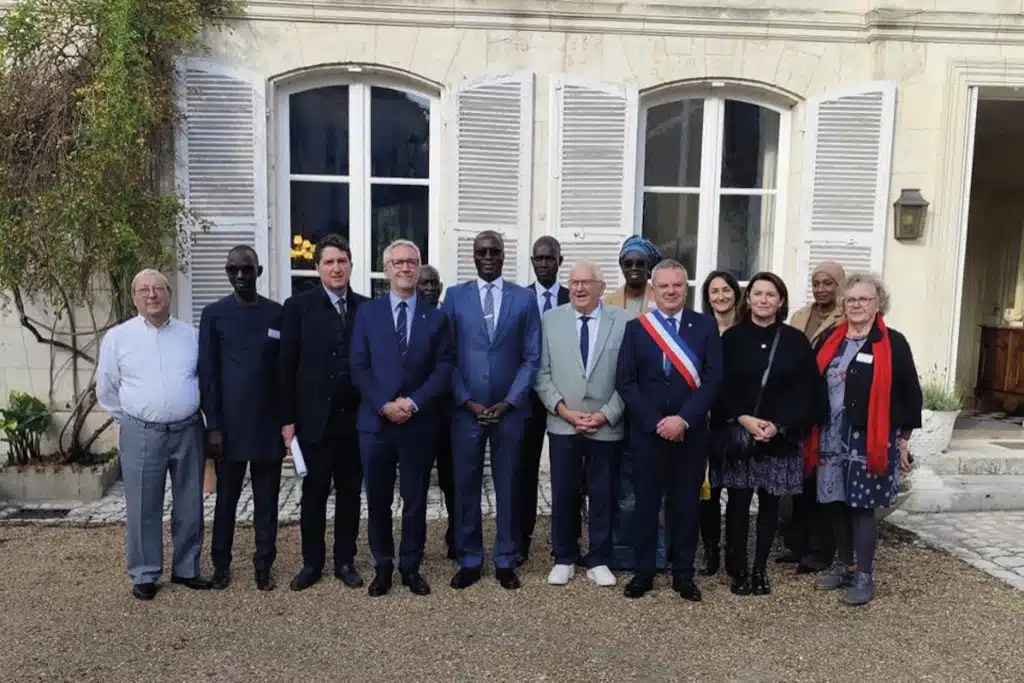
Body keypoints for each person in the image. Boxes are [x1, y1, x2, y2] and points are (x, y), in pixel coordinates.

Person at [97, 269, 212, 600]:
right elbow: (106, 388)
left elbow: (203, 380)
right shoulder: (118, 338)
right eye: (144, 290)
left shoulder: (190, 336)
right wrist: (134, 418)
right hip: (142, 432)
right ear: (134, 297)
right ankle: (145, 572)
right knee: (143, 504)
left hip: (188, 429)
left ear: (169, 294)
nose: (152, 295)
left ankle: (187, 568)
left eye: (158, 288)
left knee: (190, 502)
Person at [809, 273, 922, 606]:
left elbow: (910, 392)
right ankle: (845, 566)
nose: (856, 305)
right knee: (836, 503)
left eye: (864, 299)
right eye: (851, 299)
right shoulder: (830, 339)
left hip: (869, 439)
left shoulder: (892, 342)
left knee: (861, 506)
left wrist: (904, 439)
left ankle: (864, 576)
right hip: (831, 436)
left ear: (878, 304)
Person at [615, 259, 722, 600]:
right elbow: (626, 382)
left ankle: (684, 574)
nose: (671, 291)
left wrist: (684, 419)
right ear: (653, 289)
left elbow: (714, 378)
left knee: (686, 505)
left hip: (690, 434)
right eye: (664, 286)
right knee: (645, 505)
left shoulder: (705, 326)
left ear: (685, 289)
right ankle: (643, 572)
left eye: (677, 285)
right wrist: (654, 422)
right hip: (648, 434)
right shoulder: (637, 329)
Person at [350, 240, 453, 597]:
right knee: (378, 500)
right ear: (386, 269)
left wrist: (412, 402)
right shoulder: (368, 313)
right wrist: (384, 404)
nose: (406, 268)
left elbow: (444, 369)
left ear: (419, 267)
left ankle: (410, 566)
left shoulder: (436, 317)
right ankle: (382, 566)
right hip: (376, 423)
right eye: (398, 262)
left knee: (415, 500)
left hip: (417, 423)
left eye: (412, 262)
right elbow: (359, 366)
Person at [441, 230, 541, 590]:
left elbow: (532, 356)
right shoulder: (455, 297)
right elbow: (446, 356)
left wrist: (509, 401)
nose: (487, 257)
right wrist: (466, 400)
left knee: (509, 485)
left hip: (509, 411)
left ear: (503, 255)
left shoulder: (524, 299)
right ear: (473, 255)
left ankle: (505, 558)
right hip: (466, 411)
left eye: (494, 251)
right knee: (465, 485)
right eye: (481, 252)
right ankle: (469, 559)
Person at [714, 272, 821, 596]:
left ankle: (759, 569)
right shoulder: (730, 339)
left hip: (779, 439)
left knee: (769, 509)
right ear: (748, 299)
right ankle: (738, 569)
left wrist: (779, 424)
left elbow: (807, 391)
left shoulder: (795, 341)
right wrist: (743, 418)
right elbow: (719, 386)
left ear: (780, 301)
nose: (763, 299)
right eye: (757, 293)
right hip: (741, 436)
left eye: (770, 294)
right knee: (737, 507)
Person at [279, 233, 368, 592]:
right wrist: (287, 420)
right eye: (329, 262)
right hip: (314, 420)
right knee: (314, 495)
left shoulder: (366, 307)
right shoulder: (297, 307)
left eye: (341, 261)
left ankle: (345, 560)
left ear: (351, 265)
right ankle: (311, 563)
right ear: (317, 267)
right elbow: (285, 367)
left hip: (355, 421)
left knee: (350, 495)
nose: (336, 268)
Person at [534, 261, 627, 588]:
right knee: (564, 493)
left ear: (601, 287)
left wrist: (606, 414)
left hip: (607, 426)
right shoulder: (550, 320)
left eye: (586, 282)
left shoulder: (623, 322)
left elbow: (630, 376)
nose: (579, 288)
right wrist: (564, 411)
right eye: (574, 282)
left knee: (603, 495)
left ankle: (599, 559)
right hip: (564, 425)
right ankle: (564, 557)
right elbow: (541, 374)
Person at [199, 246, 284, 592]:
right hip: (229, 428)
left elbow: (284, 371)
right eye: (233, 269)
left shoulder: (277, 314)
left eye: (247, 269)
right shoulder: (214, 314)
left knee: (267, 502)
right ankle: (221, 564)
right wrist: (214, 426)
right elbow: (208, 374)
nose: (240, 275)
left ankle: (264, 564)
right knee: (226, 501)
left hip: (268, 425)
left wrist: (286, 422)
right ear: (226, 272)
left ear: (258, 272)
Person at [603, 235, 669, 572]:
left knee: (654, 486)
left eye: (640, 264)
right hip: (614, 405)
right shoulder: (607, 303)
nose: (633, 269)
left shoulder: (662, 302)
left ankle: (657, 552)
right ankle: (621, 551)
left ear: (650, 268)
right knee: (620, 486)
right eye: (627, 263)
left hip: (651, 408)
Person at [782, 261, 848, 572]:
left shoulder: (847, 318)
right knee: (801, 480)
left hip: (830, 408)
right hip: (799, 405)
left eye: (828, 283)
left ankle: (820, 552)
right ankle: (796, 545)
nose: (821, 289)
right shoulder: (800, 316)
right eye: (816, 283)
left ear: (839, 285)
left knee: (824, 481)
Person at [521, 235, 570, 565]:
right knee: (524, 472)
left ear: (559, 261)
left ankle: (567, 543)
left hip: (565, 398)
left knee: (567, 474)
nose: (543, 264)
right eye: (538, 258)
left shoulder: (572, 297)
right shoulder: (519, 298)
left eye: (549, 258)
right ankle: (521, 539)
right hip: (527, 399)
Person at [697, 269, 742, 577]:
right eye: (714, 291)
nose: (721, 296)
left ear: (736, 293)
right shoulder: (701, 329)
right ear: (707, 297)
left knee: (737, 490)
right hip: (707, 418)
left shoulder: (747, 330)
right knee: (708, 490)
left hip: (739, 420)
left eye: (726, 290)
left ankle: (735, 553)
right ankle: (710, 550)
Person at [417, 265, 456, 560]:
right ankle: (414, 546)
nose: (429, 288)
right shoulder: (407, 320)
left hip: (449, 416)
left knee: (452, 483)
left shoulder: (449, 319)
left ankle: (456, 538)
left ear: (441, 288)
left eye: (434, 283)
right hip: (417, 415)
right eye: (424, 283)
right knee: (416, 485)